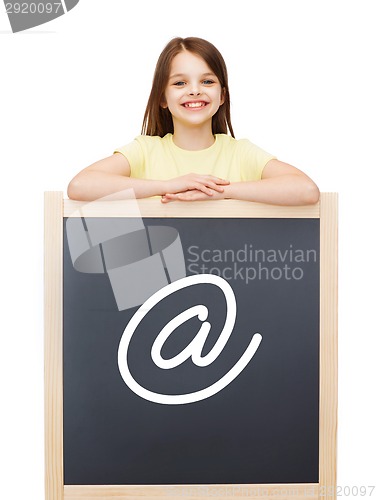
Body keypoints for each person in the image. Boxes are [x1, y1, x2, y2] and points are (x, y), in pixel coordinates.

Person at [67, 37, 319, 205]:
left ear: (222, 96)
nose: (195, 91)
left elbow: (306, 190)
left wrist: (219, 192)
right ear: (162, 98)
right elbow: (80, 186)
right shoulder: (145, 151)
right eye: (180, 83)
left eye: (207, 81)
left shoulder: (240, 153)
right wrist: (169, 186)